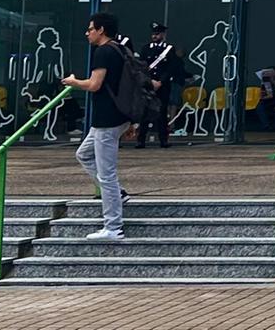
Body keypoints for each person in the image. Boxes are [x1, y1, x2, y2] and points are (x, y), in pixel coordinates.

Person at [62, 12, 129, 240]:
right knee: (83, 153)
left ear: (101, 30)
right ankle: (117, 195)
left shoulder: (103, 52)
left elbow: (94, 84)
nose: (87, 32)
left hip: (107, 119)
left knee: (107, 174)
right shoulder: (120, 49)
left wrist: (73, 82)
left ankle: (113, 226)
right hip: (116, 116)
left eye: (91, 28)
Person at [134, 23, 187, 149]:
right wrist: (149, 81)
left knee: (162, 112)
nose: (154, 36)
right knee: (145, 112)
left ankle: (163, 139)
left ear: (163, 35)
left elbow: (170, 68)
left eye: (157, 34)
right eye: (153, 34)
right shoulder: (146, 48)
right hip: (148, 84)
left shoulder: (169, 49)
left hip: (162, 85)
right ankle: (141, 140)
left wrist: (161, 81)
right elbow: (142, 66)